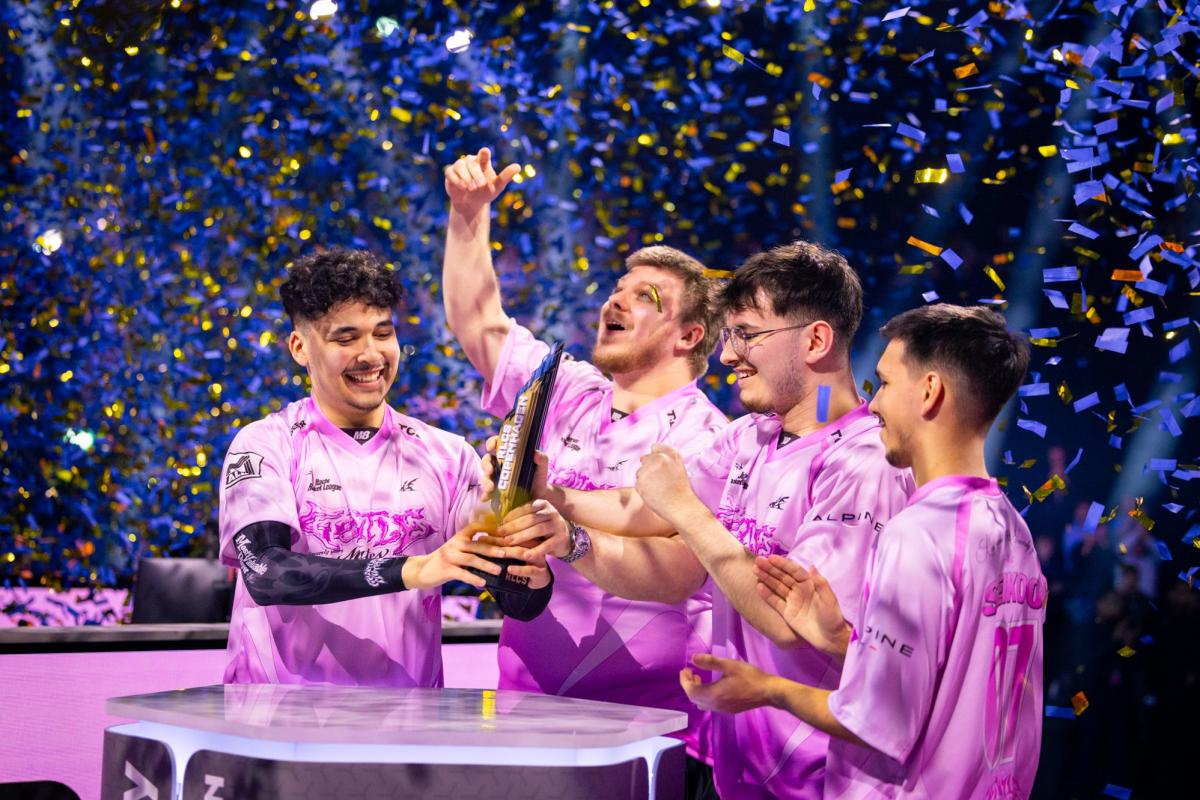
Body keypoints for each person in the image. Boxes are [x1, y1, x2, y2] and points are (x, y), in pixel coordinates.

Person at [499, 241, 914, 800]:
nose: (728, 356)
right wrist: (556, 500)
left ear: (815, 340)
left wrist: (687, 512)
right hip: (730, 762)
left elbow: (792, 628)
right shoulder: (750, 437)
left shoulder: (861, 467)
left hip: (816, 776)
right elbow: (647, 506)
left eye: (747, 335)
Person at [442, 148, 728, 795]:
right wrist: (468, 215)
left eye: (644, 297)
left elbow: (679, 568)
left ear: (688, 335)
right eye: (616, 290)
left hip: (649, 730)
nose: (614, 302)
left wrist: (562, 516)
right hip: (526, 712)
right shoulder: (563, 387)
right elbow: (478, 322)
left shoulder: (709, 437)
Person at [683, 304, 1044, 799]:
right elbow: (949, 680)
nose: (873, 406)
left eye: (887, 384)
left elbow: (878, 721)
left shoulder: (918, 531)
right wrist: (841, 640)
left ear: (930, 391)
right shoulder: (1012, 530)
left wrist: (766, 689)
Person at [218, 247, 550, 688]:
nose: (371, 354)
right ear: (300, 347)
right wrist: (414, 570)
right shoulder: (265, 444)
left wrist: (523, 536)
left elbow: (517, 600)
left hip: (408, 719)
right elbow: (267, 572)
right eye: (346, 338)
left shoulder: (447, 455)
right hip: (277, 717)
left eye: (382, 333)